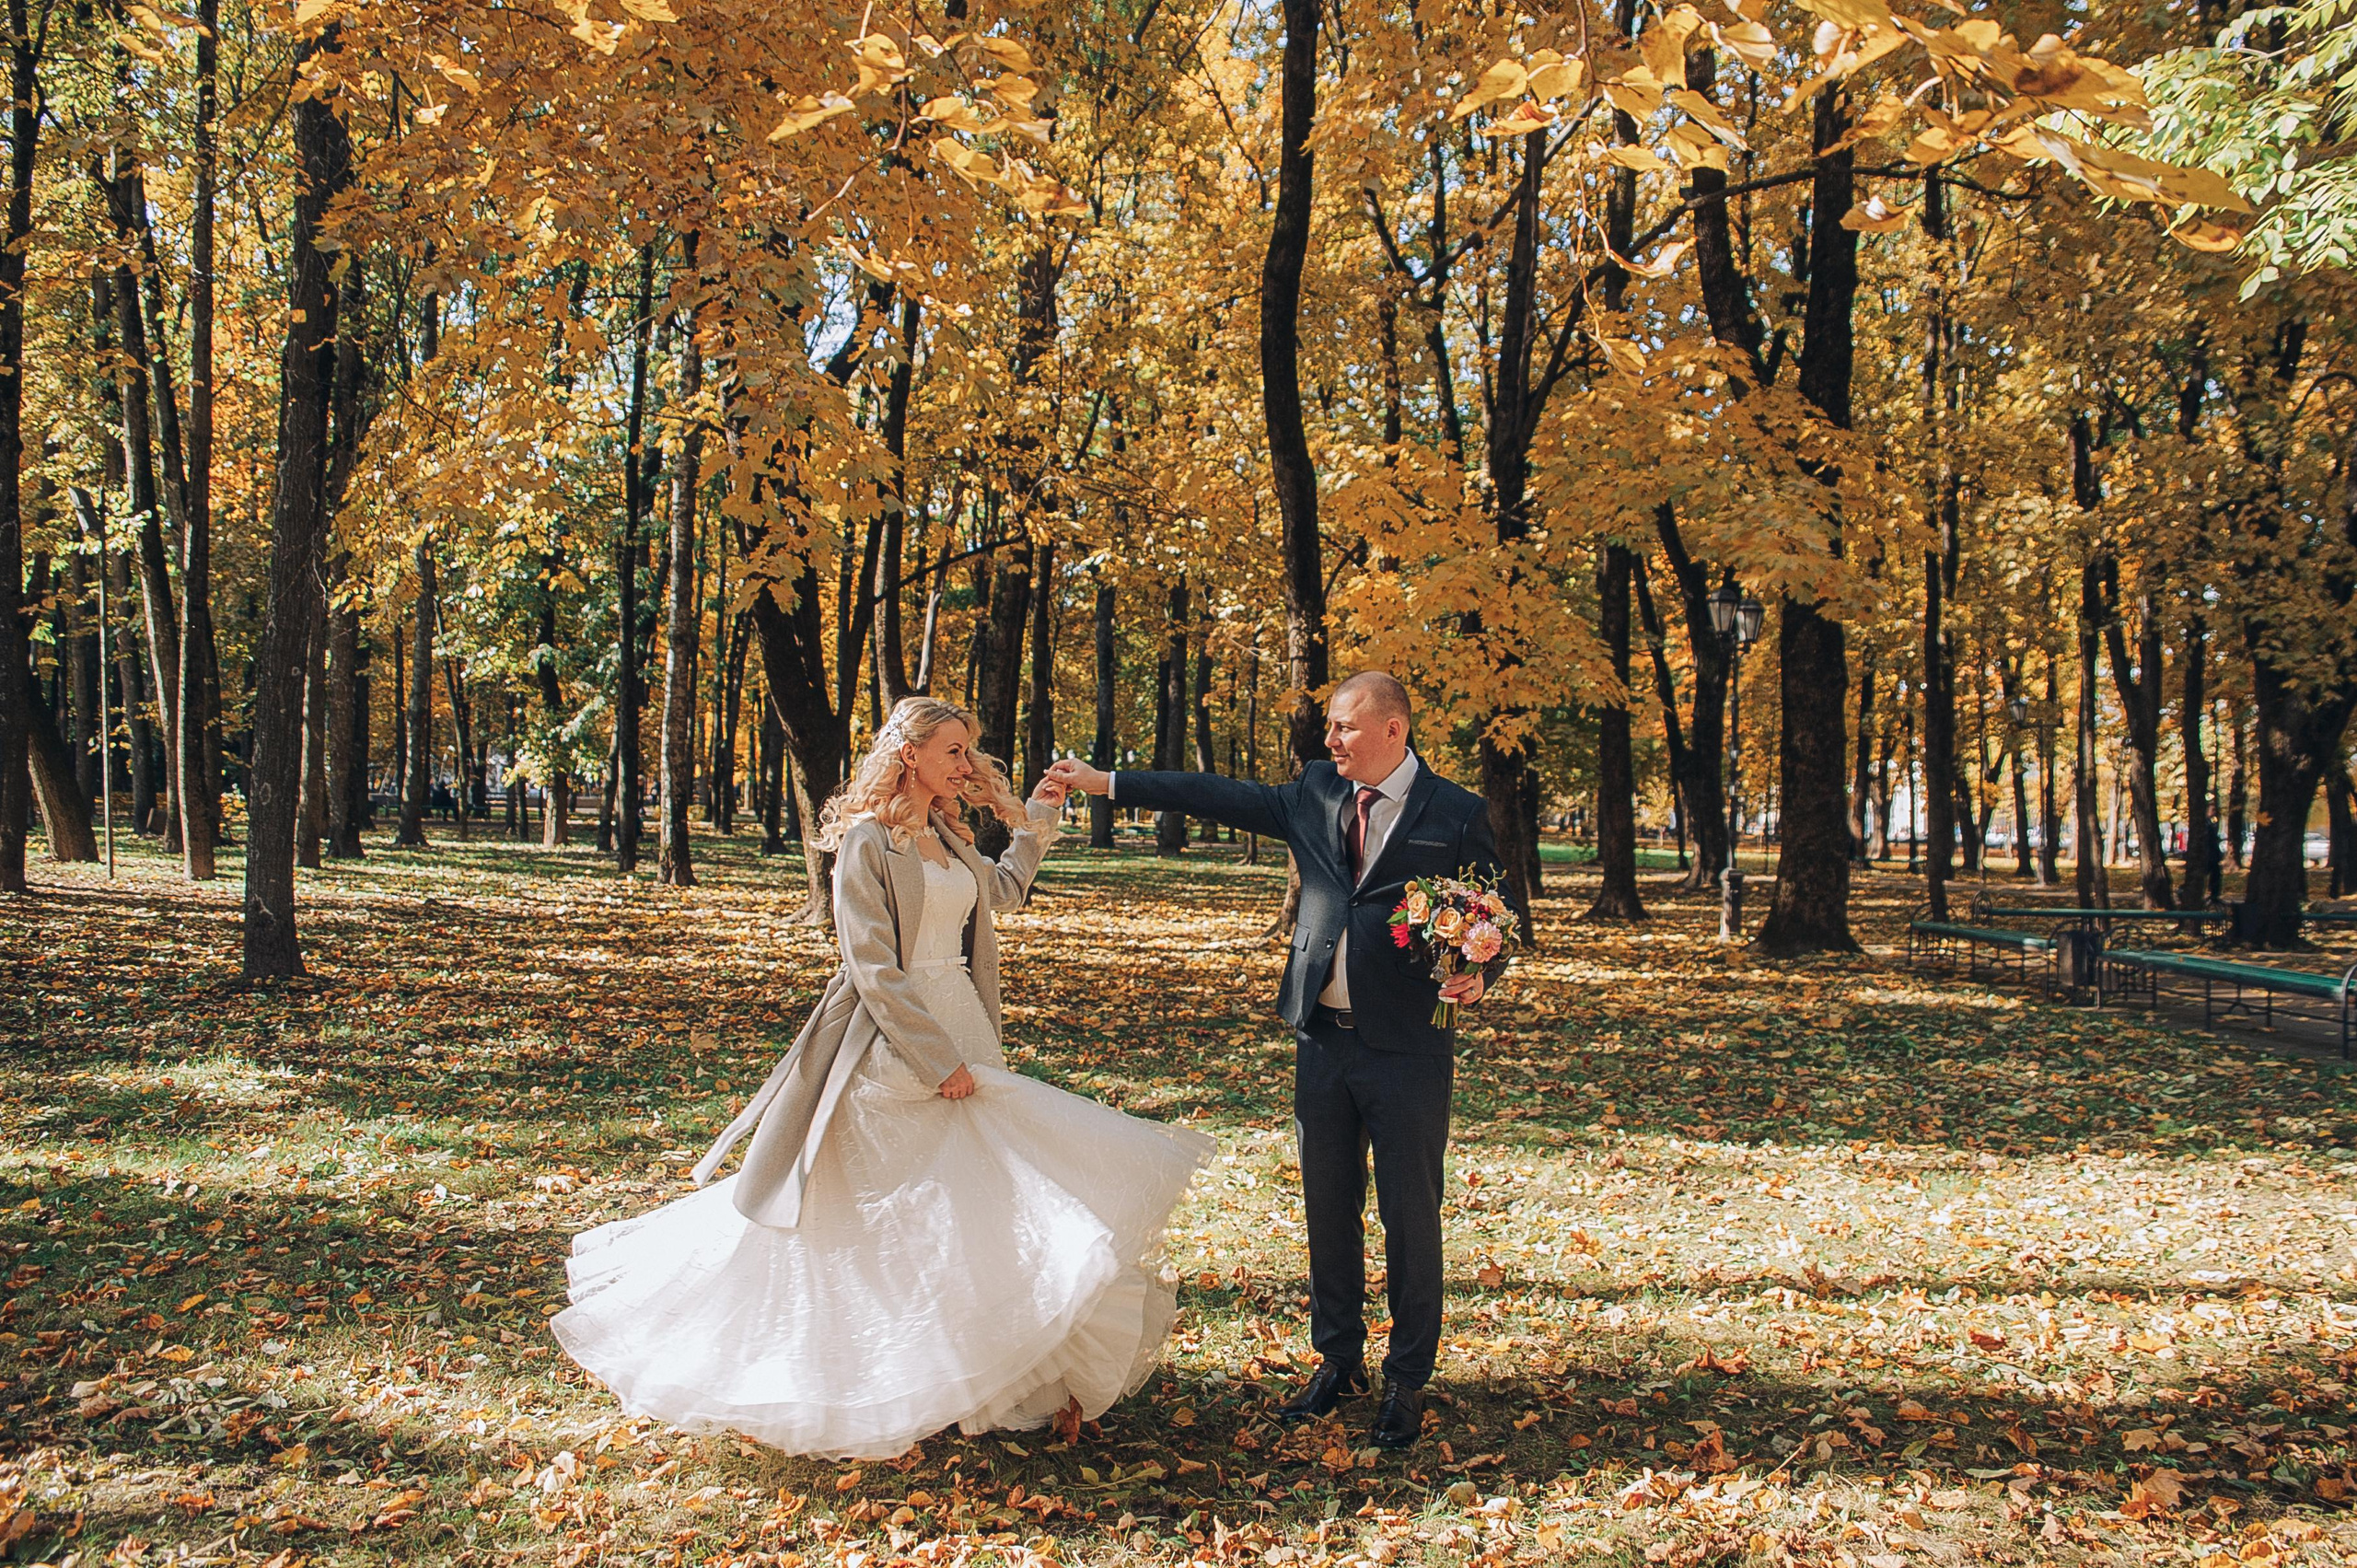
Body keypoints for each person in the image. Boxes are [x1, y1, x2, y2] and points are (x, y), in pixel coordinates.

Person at [552, 696, 1214, 1459]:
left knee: (971, 1203)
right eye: (954, 751)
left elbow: (1001, 891)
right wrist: (937, 1061)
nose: (967, 765)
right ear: (911, 754)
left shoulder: (945, 832)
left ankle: (972, 1374)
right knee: (893, 1212)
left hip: (966, 1021)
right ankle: (882, 1372)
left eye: (970, 751)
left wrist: (1037, 817)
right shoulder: (868, 842)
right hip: (896, 1044)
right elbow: (871, 966)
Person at [1049, 671, 1507, 1453]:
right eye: (1330, 728)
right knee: (1329, 1208)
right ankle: (1340, 1361)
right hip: (1322, 1040)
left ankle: (1407, 1378)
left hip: (1408, 1051)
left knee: (1408, 1213)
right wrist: (1106, 781)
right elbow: (1211, 793)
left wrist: (1482, 970)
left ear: (1394, 730)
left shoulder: (1458, 813)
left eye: (1345, 728)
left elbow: (1496, 913)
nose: (1330, 741)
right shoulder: (1315, 791)